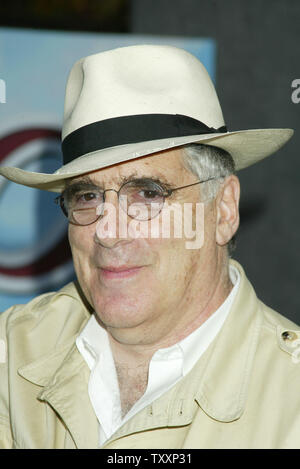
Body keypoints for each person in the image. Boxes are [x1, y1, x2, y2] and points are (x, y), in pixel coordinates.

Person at [0, 44, 299, 450]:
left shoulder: (290, 397)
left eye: (146, 193)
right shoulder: (14, 352)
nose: (108, 232)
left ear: (224, 210)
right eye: (87, 196)